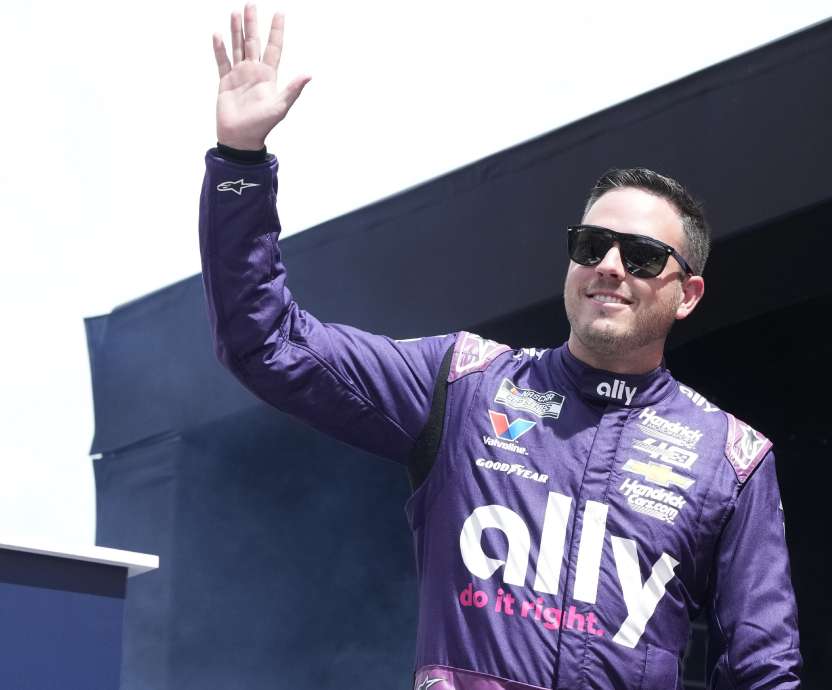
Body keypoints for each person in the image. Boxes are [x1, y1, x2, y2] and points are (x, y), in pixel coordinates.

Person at [202, 6, 801, 689]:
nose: (608, 265)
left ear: (687, 294)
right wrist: (240, 164)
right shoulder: (464, 384)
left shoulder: (731, 460)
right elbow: (266, 341)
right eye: (589, 245)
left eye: (639, 255)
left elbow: (762, 674)